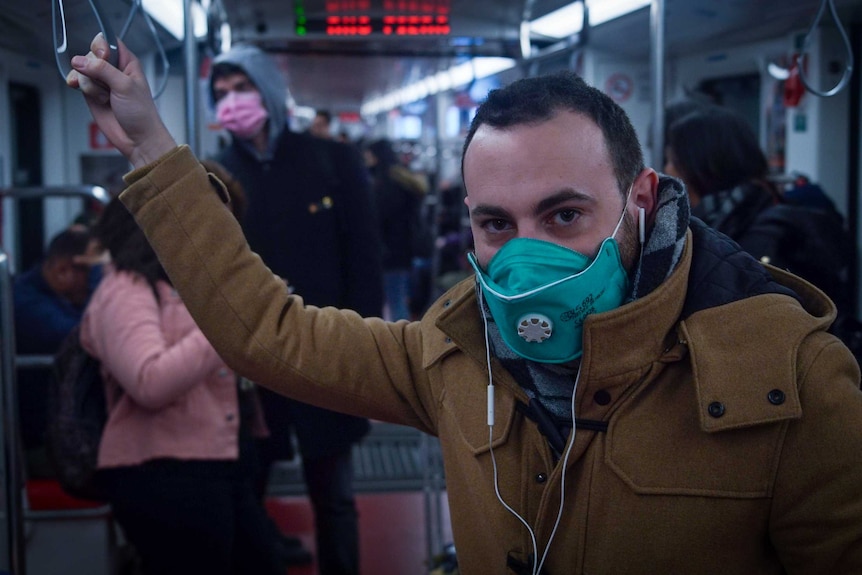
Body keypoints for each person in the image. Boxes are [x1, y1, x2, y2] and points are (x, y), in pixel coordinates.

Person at [69, 36, 862, 574]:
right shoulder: (447, 360)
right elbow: (268, 333)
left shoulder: (794, 382)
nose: (525, 261)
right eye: (495, 225)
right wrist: (152, 150)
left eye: (564, 216)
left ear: (642, 201)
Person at [208, 43, 383, 575]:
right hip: (254, 357)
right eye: (221, 94)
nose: (232, 102)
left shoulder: (331, 160)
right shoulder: (216, 172)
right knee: (247, 492)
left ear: (267, 93)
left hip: (328, 349)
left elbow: (365, 261)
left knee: (333, 494)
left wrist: (364, 352)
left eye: (242, 90)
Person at [78, 196, 287, 575]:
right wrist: (228, 324)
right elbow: (149, 381)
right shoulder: (125, 288)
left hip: (219, 463)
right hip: (162, 472)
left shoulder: (185, 286)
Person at [664, 103, 856, 333]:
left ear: (703, 168)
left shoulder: (753, 241)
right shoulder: (761, 208)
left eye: (673, 162)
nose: (667, 171)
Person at [14, 226, 102, 477]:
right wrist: (100, 278)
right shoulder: (26, 307)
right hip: (45, 446)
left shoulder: (50, 296)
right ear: (63, 270)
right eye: (91, 272)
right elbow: (89, 335)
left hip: (65, 433)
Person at [364, 138, 431, 320]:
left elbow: (382, 218)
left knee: (395, 300)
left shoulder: (385, 184)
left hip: (391, 252)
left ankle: (401, 343)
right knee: (399, 296)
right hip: (404, 249)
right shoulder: (402, 179)